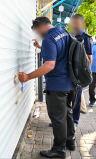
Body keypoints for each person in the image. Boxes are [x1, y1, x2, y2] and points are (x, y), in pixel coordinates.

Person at [17, 17, 76, 158]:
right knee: (67, 112)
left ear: (42, 26)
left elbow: (50, 65)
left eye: (38, 31)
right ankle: (70, 141)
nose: (39, 34)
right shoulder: (66, 34)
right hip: (71, 83)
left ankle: (59, 149)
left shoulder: (49, 39)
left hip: (57, 85)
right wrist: (41, 46)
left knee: (58, 118)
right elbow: (61, 53)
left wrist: (28, 77)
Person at [70, 14, 93, 129]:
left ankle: (75, 121)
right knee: (65, 97)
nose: (74, 25)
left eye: (77, 23)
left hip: (79, 73)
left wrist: (86, 73)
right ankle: (64, 119)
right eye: (73, 22)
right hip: (68, 71)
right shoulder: (68, 35)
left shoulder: (86, 38)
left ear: (82, 24)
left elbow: (89, 57)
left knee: (77, 98)